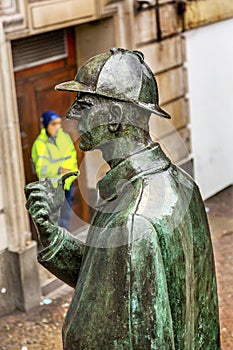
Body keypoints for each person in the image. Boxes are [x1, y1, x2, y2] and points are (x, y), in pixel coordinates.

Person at [25, 48, 220, 349]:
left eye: (84, 104)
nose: (71, 115)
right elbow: (110, 282)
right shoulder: (184, 185)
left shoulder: (133, 220)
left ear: (115, 117)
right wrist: (52, 235)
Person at [31, 110, 79, 231]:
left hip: (67, 184)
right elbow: (42, 169)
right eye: (53, 124)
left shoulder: (65, 137)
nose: (57, 127)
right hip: (52, 188)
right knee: (55, 219)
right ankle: (57, 246)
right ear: (46, 125)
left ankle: (65, 242)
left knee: (66, 215)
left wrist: (70, 173)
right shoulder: (40, 144)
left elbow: (72, 158)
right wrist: (59, 169)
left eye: (59, 123)